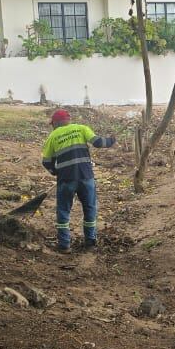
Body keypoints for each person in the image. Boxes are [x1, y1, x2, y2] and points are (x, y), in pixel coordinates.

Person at [40, 108, 116, 252]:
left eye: (52, 124)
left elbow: (46, 161)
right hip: (85, 177)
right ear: (68, 120)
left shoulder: (53, 136)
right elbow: (99, 142)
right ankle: (90, 243)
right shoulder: (81, 129)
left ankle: (64, 245)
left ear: (55, 123)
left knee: (63, 211)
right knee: (90, 209)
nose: (52, 126)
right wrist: (111, 140)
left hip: (66, 179)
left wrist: (55, 172)